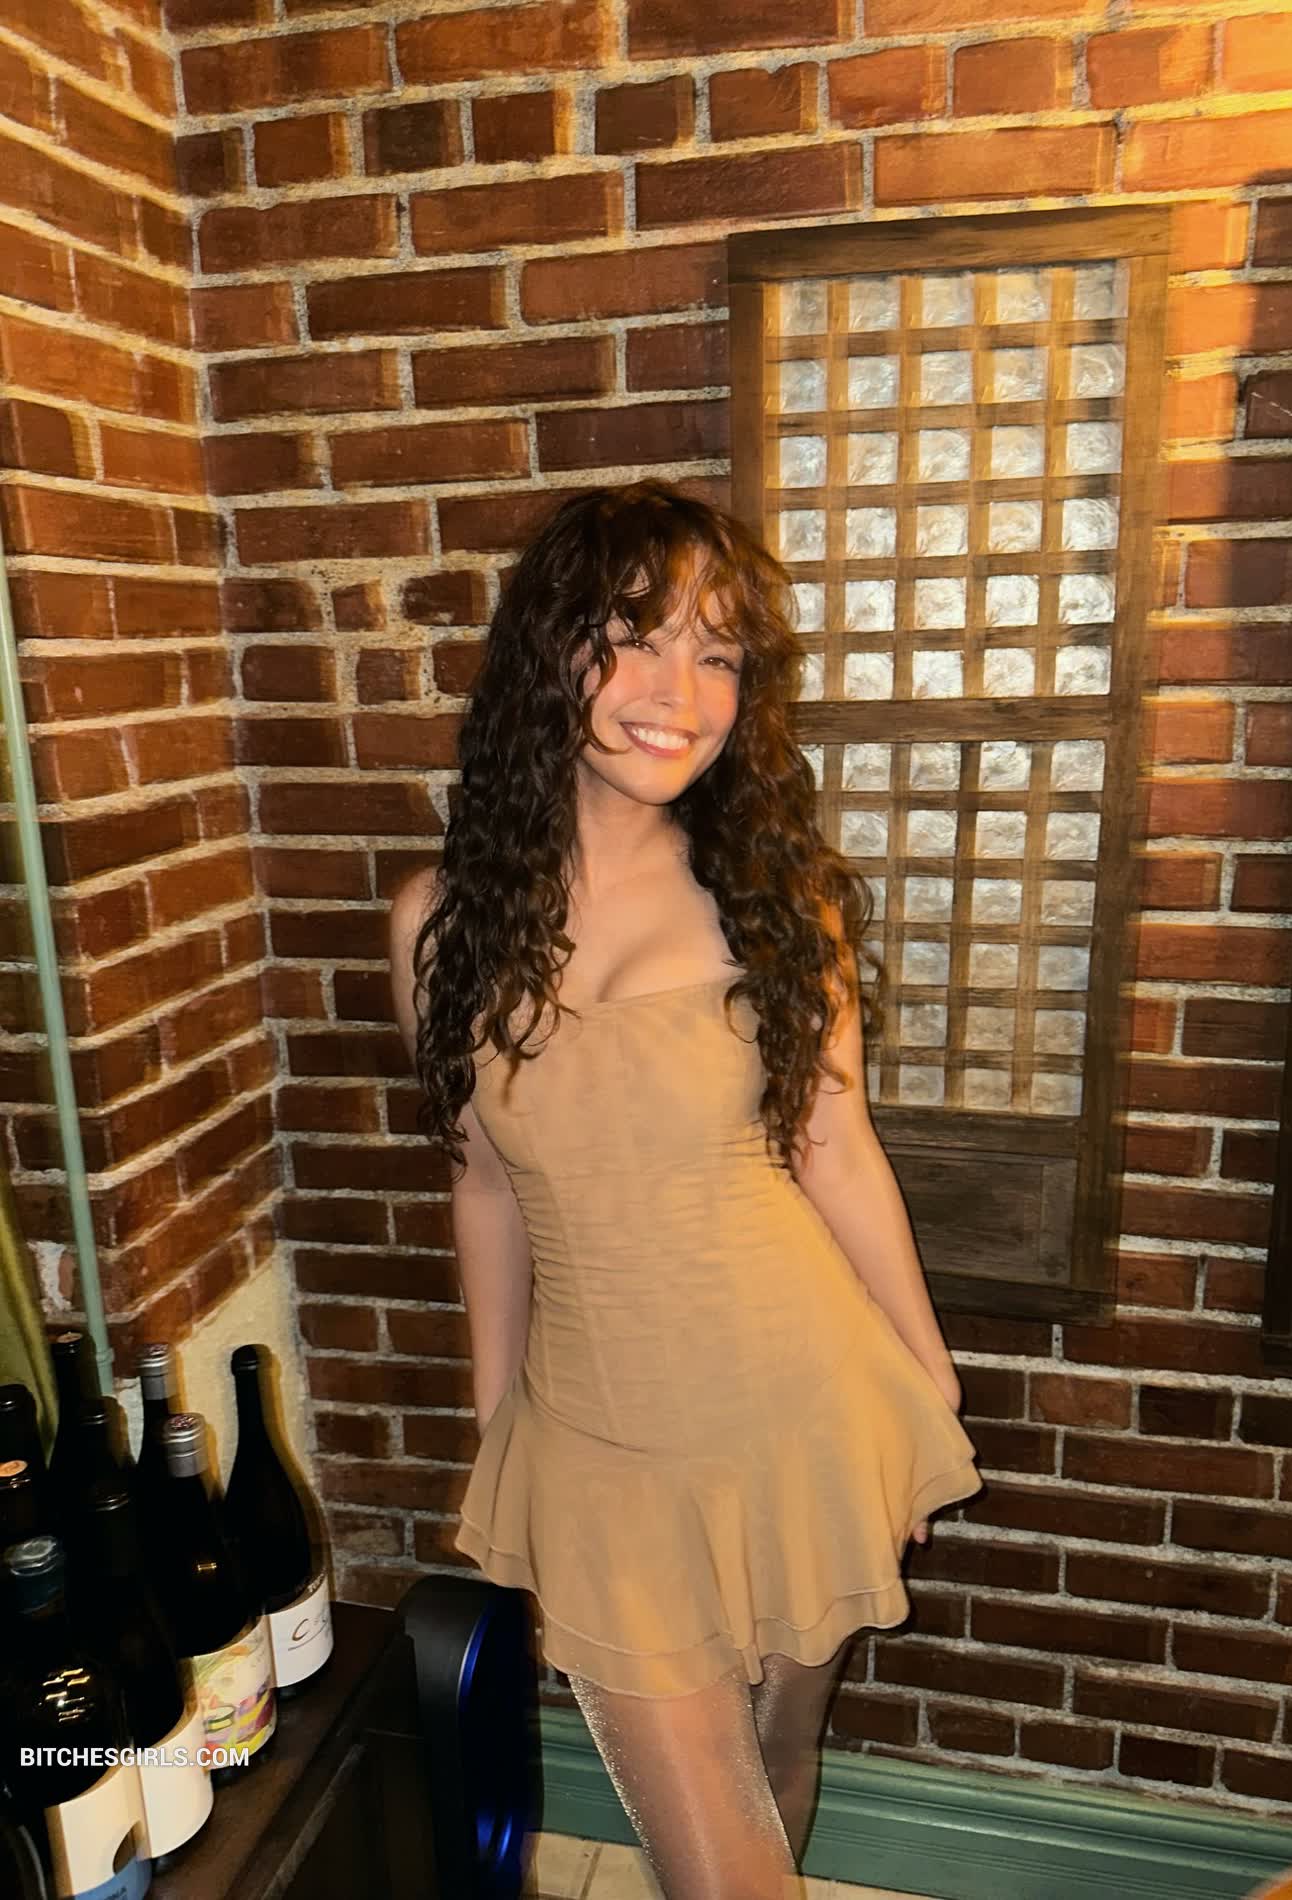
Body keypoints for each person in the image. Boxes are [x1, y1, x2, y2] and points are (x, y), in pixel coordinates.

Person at [387, 478, 982, 1898]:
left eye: (717, 655)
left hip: (804, 1405)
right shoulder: (437, 923)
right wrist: (497, 1420)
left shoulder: (774, 897)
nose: (681, 693)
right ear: (550, 654)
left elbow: (833, 1146)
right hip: (602, 1443)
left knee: (778, 1755)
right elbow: (483, 1190)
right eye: (636, 638)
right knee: (719, 1862)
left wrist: (925, 1381)